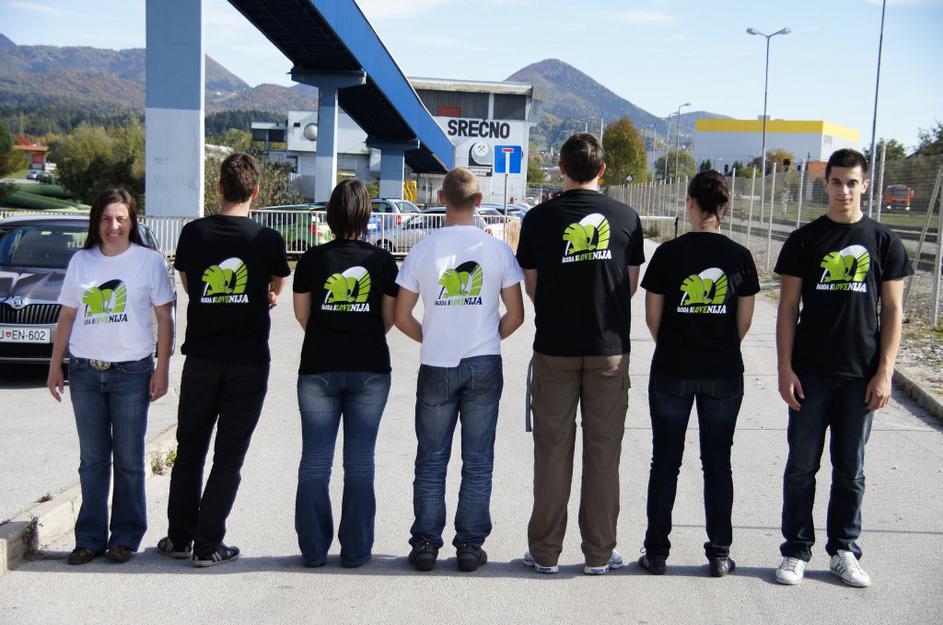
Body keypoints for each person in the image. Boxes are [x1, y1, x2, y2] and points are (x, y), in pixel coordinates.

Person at [774, 148, 912, 587]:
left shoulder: (884, 241)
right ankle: (796, 551)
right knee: (801, 467)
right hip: (810, 373)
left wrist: (885, 372)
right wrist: (784, 368)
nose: (844, 191)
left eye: (852, 183)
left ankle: (843, 551)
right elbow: (787, 308)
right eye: (836, 182)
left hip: (860, 376)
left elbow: (893, 311)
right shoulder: (805, 240)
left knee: (851, 470)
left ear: (865, 185)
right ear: (827, 184)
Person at [517, 132, 645, 575]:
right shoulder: (626, 217)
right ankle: (599, 553)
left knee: (552, 452)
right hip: (609, 350)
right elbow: (629, 284)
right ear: (602, 170)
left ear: (562, 170)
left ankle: (545, 553)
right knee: (604, 452)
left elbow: (532, 285)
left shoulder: (538, 219)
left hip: (554, 348)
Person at [157, 152, 290, 567]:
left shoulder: (193, 233)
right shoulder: (268, 239)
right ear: (256, 191)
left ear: (218, 187)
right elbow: (278, 283)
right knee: (228, 455)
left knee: (190, 449)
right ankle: (208, 544)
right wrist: (267, 295)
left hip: (202, 357)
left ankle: (180, 537)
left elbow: (189, 284)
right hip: (248, 361)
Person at [395, 167, 524, 572]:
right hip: (484, 362)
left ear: (441, 199)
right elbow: (516, 315)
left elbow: (401, 316)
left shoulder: (422, 250)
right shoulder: (497, 251)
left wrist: (431, 336)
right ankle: (469, 545)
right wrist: (487, 337)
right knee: (478, 459)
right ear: (479, 201)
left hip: (437, 363)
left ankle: (426, 544)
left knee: (431, 459)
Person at [637, 171, 759, 577]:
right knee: (718, 462)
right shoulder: (740, 257)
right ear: (725, 207)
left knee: (664, 461)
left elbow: (652, 318)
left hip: (672, 368)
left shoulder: (668, 254)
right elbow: (744, 321)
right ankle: (719, 553)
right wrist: (718, 344)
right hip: (723, 372)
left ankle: (657, 552)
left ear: (689, 203)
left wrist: (676, 345)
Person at [47, 187, 174, 565]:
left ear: (132, 222)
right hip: (85, 372)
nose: (113, 226)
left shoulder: (148, 262)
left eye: (120, 219)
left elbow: (165, 317)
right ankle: (89, 539)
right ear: (95, 222)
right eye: (105, 219)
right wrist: (55, 365)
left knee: (130, 459)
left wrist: (162, 367)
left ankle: (125, 538)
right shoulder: (81, 261)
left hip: (132, 373)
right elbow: (68, 315)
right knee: (92, 460)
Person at [292, 179, 399, 568]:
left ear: (331, 214)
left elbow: (302, 316)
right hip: (369, 367)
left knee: (314, 462)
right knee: (360, 463)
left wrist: (329, 332)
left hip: (318, 366)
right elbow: (389, 319)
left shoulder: (311, 259)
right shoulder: (383, 261)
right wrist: (362, 333)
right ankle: (355, 551)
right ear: (367, 215)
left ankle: (313, 550)